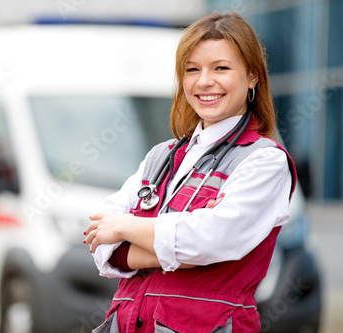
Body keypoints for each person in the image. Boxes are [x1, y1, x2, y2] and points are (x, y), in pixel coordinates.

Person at [84, 12, 296, 333]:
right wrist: (178, 242)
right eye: (192, 69)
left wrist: (127, 226)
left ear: (253, 76)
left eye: (220, 68)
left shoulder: (264, 161)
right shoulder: (162, 156)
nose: (204, 81)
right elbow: (101, 241)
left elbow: (205, 241)